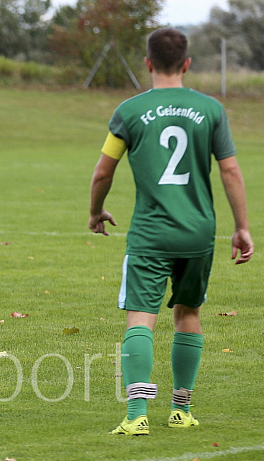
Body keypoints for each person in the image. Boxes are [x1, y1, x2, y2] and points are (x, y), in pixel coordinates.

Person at [88, 28, 253, 435]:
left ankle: (136, 414)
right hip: (199, 232)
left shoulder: (128, 111)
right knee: (189, 313)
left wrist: (96, 211)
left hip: (150, 233)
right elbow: (230, 169)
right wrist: (243, 228)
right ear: (186, 64)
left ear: (147, 63)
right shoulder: (210, 109)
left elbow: (103, 171)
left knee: (140, 319)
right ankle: (181, 410)